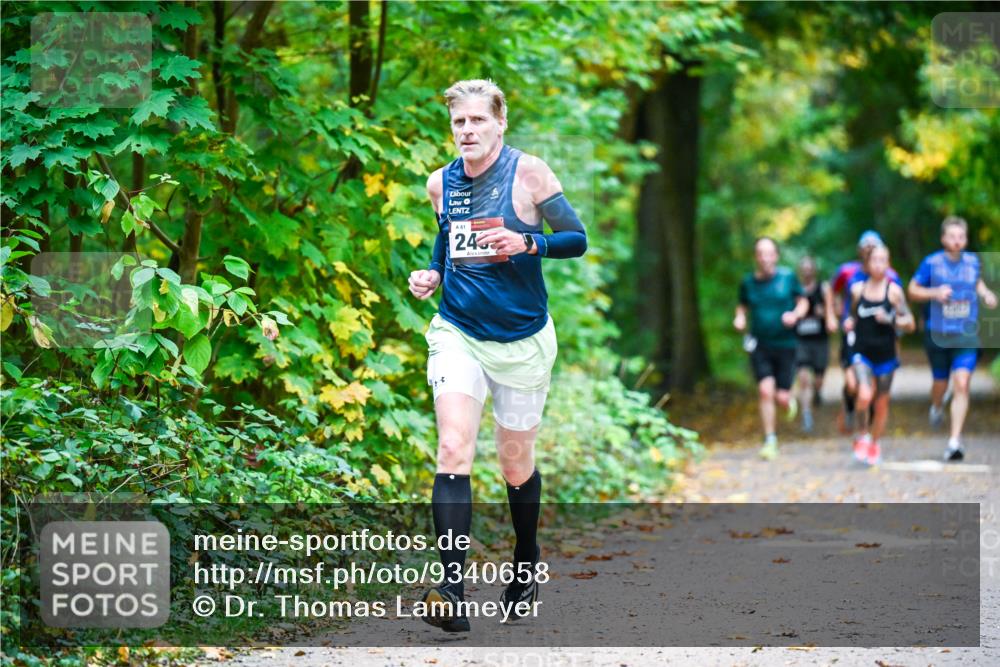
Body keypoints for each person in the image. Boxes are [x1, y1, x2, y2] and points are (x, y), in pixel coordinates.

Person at [408, 79, 587, 632]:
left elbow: (576, 237)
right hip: (459, 330)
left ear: (499, 123)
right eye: (459, 122)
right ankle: (453, 593)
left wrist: (529, 242)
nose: (468, 130)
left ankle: (526, 557)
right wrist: (432, 273)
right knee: (453, 448)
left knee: (514, 465)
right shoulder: (441, 183)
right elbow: (446, 240)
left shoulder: (529, 173)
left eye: (478, 120)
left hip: (523, 339)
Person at [907, 216, 998, 461]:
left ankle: (954, 440)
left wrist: (986, 294)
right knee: (940, 384)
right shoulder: (931, 263)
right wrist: (934, 292)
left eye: (961, 236)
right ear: (943, 238)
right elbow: (912, 290)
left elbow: (977, 283)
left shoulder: (973, 261)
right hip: (938, 334)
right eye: (952, 236)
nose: (957, 241)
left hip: (966, 334)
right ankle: (937, 405)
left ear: (965, 239)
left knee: (962, 383)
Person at [734, 237, 810, 460]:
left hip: (786, 344)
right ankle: (770, 439)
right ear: (756, 257)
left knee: (781, 396)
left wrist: (795, 314)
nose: (765, 258)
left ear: (776, 256)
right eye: (760, 253)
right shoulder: (748, 283)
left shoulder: (787, 278)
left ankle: (788, 399)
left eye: (769, 253)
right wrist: (739, 318)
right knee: (765, 391)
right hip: (760, 344)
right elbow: (742, 306)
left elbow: (803, 302)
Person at [843, 243, 915, 466]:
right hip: (862, 353)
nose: (879, 265)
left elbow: (910, 323)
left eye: (884, 260)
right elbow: (852, 317)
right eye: (875, 260)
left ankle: (875, 443)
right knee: (864, 394)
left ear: (889, 263)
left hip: (886, 356)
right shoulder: (857, 290)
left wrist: (892, 319)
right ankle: (862, 436)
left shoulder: (893, 292)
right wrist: (848, 322)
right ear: (866, 263)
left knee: (881, 403)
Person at [830, 230, 901, 433]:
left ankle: (866, 426)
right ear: (861, 251)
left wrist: (896, 334)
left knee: (872, 391)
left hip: (881, 336)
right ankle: (851, 406)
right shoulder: (847, 272)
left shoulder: (892, 278)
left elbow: (898, 308)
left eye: (874, 246)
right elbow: (832, 290)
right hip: (853, 334)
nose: (869, 250)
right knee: (854, 385)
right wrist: (833, 313)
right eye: (866, 247)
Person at [793, 256, 835, 433]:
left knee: (818, 378)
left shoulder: (823, 288)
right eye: (804, 268)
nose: (807, 271)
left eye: (810, 268)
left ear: (814, 271)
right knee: (803, 378)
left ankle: (817, 392)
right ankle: (806, 414)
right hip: (800, 340)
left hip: (819, 340)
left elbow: (831, 311)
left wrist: (828, 318)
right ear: (800, 271)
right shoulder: (794, 290)